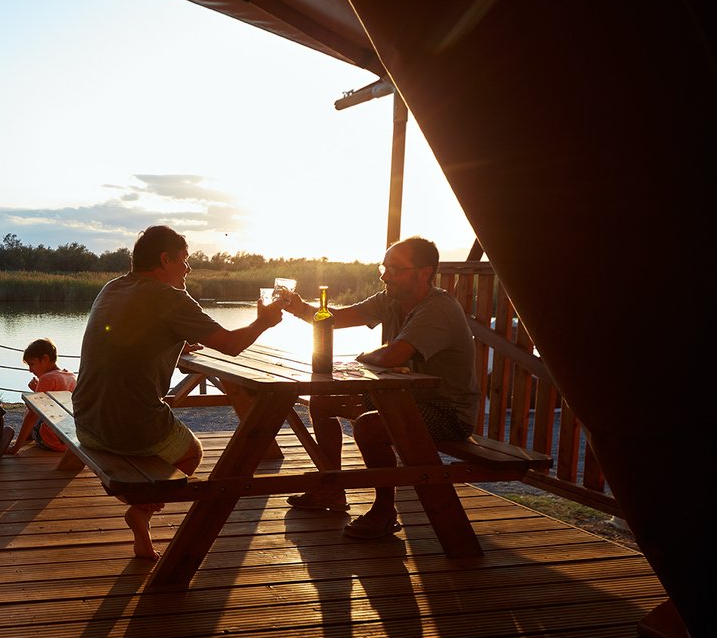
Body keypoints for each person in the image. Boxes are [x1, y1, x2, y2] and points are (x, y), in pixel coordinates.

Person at [73, 225, 284, 560]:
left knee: (152, 437)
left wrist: (176, 339)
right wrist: (263, 322)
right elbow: (231, 345)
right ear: (165, 260)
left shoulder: (112, 287)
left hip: (85, 421)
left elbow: (128, 334)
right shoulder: (170, 297)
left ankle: (140, 509)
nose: (188, 268)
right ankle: (141, 508)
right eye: (184, 260)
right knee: (192, 452)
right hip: (129, 429)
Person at [276, 236, 480, 539]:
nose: (385, 276)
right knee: (323, 401)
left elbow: (391, 356)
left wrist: (364, 357)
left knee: (370, 426)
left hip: (448, 412)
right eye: (383, 268)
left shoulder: (438, 308)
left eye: (394, 269)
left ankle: (385, 511)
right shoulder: (391, 298)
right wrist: (298, 307)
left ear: (424, 273)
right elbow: (334, 319)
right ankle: (331, 489)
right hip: (403, 399)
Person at [9, 337, 76, 454]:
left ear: (45, 359)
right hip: (68, 441)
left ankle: (28, 437)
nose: (30, 370)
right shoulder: (71, 376)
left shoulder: (47, 378)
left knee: (31, 405)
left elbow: (32, 416)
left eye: (32, 364)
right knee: (35, 402)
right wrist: (37, 391)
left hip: (49, 440)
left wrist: (16, 448)